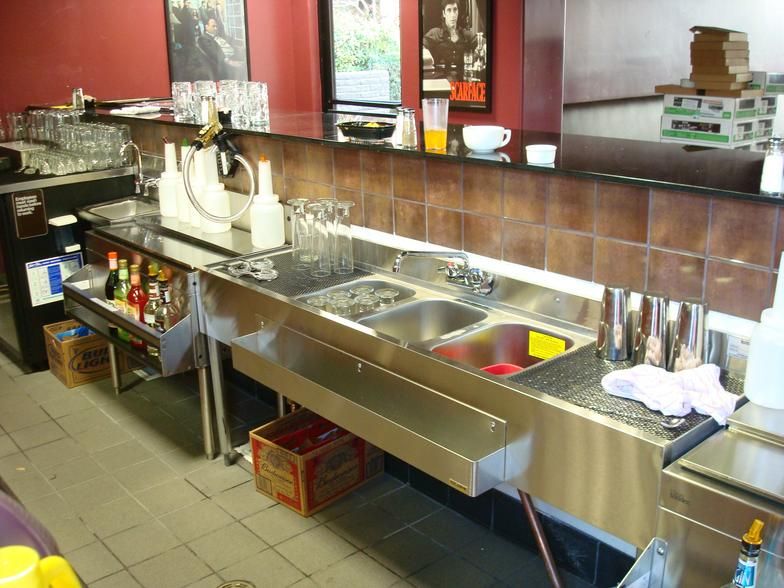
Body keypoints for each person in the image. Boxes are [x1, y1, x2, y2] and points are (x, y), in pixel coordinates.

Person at [423, 0, 485, 72]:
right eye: (449, 10)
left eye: (455, 10)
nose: (453, 14)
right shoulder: (435, 33)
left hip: (462, 76)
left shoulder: (466, 34)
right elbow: (420, 46)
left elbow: (483, 43)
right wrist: (426, 55)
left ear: (458, 12)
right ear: (444, 14)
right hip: (440, 76)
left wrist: (483, 49)